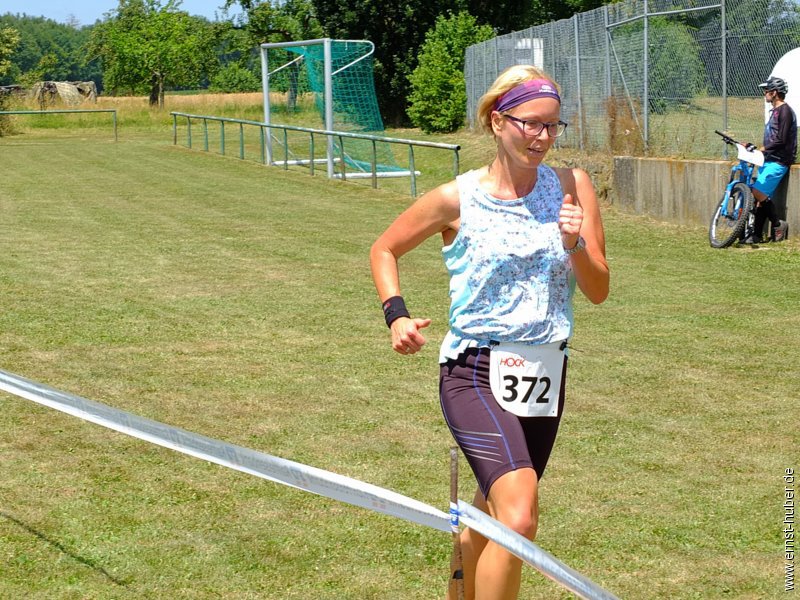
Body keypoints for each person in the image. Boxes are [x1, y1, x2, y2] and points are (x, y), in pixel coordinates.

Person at [369, 65, 609, 600]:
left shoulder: (573, 187)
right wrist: (397, 316)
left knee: (492, 509)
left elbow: (598, 289)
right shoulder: (458, 198)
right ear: (499, 122)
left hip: (546, 372)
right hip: (474, 371)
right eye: (531, 124)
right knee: (519, 517)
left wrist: (574, 245)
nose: (542, 138)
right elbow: (384, 249)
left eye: (553, 126)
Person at [743, 75, 797, 244]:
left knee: (757, 192)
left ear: (775, 92)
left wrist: (764, 149)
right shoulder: (774, 111)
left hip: (779, 161)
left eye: (766, 90)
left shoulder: (785, 111)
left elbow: (781, 139)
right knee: (762, 199)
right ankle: (756, 235)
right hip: (769, 160)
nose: (764, 93)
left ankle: (777, 224)